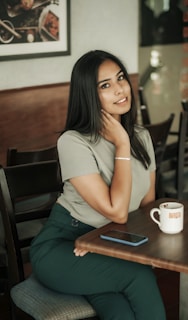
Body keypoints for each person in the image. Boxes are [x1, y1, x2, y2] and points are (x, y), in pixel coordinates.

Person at [30, 50, 166, 320]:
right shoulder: (73, 142)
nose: (120, 89)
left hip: (110, 243)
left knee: (121, 314)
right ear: (89, 96)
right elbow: (116, 212)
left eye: (120, 79)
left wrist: (104, 241)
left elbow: (146, 207)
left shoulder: (141, 136)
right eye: (106, 85)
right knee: (140, 275)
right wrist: (122, 145)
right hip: (64, 246)